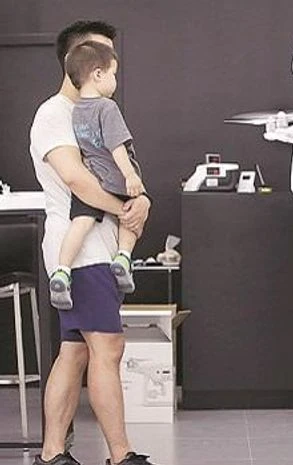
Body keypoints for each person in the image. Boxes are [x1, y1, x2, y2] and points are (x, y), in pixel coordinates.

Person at [29, 20, 154, 465]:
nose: (109, 67)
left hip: (98, 246)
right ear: (79, 60)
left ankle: (50, 454)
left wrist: (138, 201)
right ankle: (121, 456)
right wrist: (126, 207)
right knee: (108, 347)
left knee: (76, 350)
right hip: (79, 252)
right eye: (101, 56)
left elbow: (116, 170)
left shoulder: (95, 111)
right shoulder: (54, 114)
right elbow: (78, 179)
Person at [48, 40, 147, 310]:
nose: (115, 81)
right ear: (98, 74)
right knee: (132, 215)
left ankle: (61, 270)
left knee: (80, 223)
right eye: (113, 74)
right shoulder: (107, 107)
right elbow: (116, 146)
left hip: (93, 177)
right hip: (114, 178)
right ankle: (123, 259)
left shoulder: (77, 110)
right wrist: (130, 176)